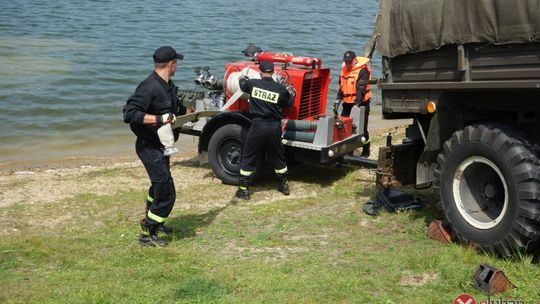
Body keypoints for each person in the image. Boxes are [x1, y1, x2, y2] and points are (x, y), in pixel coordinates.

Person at [123, 46, 186, 246]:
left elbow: (172, 109)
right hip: (148, 146)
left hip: (162, 146)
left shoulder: (168, 86)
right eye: (176, 62)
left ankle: (153, 222)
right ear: (171, 64)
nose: (177, 66)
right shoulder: (149, 87)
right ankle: (148, 232)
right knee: (166, 190)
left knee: (158, 185)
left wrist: (188, 112)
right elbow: (129, 114)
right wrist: (159, 118)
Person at [235, 61, 294, 200]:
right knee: (278, 155)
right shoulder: (280, 89)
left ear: (260, 72)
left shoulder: (253, 84)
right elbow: (289, 102)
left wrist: (243, 77)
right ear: (273, 72)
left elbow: (242, 85)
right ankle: (284, 185)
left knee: (249, 155)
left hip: (257, 126)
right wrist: (292, 93)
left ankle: (243, 189)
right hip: (274, 127)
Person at [335, 50, 372, 157]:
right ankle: (348, 150)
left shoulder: (362, 70)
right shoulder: (344, 71)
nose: (347, 64)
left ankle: (366, 150)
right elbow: (342, 88)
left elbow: (361, 89)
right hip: (347, 103)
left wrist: (357, 105)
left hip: (361, 103)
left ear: (355, 60)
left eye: (349, 62)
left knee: (362, 129)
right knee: (343, 127)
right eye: (346, 62)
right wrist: (337, 101)